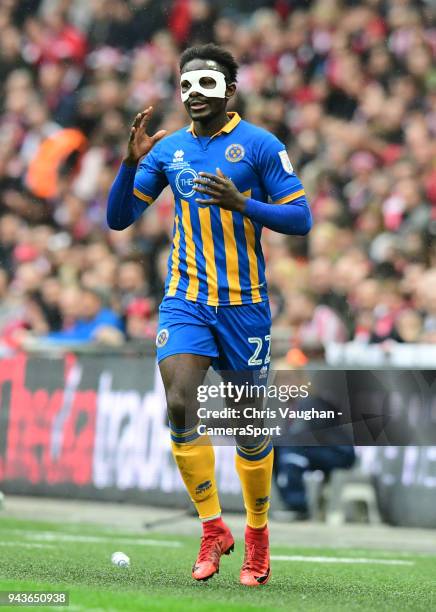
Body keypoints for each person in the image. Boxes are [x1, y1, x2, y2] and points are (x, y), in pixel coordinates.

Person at [107, 43, 312, 587]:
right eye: (187, 85)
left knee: (248, 428)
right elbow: (120, 218)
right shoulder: (168, 149)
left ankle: (258, 536)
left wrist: (243, 203)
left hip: (244, 307)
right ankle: (212, 526)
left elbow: (301, 219)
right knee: (180, 403)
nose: (195, 93)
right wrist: (129, 165)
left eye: (207, 84)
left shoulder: (261, 146)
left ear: (230, 91)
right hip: (186, 300)